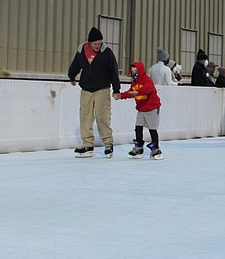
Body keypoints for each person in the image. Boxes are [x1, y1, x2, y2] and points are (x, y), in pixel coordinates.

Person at [68, 27, 121, 157]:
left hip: (102, 88)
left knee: (102, 116)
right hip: (86, 88)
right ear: (89, 43)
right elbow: (76, 65)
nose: (98, 46)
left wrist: (116, 89)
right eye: (95, 44)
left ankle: (108, 143)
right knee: (85, 116)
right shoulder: (81, 51)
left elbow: (114, 71)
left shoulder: (107, 53)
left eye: (99, 43)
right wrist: (72, 76)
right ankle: (87, 145)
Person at [117, 61, 163, 160]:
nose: (134, 73)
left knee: (152, 129)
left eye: (136, 71)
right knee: (138, 127)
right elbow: (130, 93)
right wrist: (121, 95)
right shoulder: (134, 83)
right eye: (132, 71)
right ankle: (139, 147)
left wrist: (137, 92)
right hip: (141, 109)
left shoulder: (147, 80)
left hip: (151, 107)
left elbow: (148, 89)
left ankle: (156, 148)